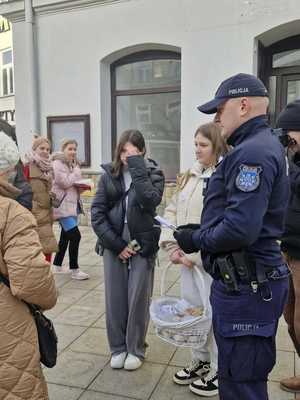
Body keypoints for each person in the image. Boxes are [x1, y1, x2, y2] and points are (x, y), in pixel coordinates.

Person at [173, 73, 290, 400]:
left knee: (241, 385)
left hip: (248, 286)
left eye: (219, 110)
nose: (215, 118)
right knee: (238, 376)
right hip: (248, 282)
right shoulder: (257, 145)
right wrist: (201, 231)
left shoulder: (251, 152)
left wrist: (196, 240)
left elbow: (241, 228)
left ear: (242, 105)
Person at [160, 122, 227, 397]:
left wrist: (194, 255)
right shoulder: (189, 176)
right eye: (195, 144)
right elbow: (172, 210)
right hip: (185, 259)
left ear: (217, 147)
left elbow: (220, 224)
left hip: (209, 263)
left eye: (203, 145)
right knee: (192, 312)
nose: (196, 150)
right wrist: (171, 246)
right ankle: (199, 360)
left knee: (213, 315)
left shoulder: (222, 178)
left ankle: (218, 369)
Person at [91, 129, 164, 371]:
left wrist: (137, 168)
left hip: (143, 242)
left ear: (142, 151)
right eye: (123, 150)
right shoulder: (107, 176)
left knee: (138, 297)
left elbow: (150, 201)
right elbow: (97, 214)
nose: (126, 155)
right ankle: (118, 348)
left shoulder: (154, 174)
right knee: (115, 298)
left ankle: (135, 348)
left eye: (132, 151)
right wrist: (117, 245)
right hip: (113, 242)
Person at [0, 132, 57, 400]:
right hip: (6, 328)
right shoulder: (10, 213)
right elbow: (32, 282)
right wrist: (50, 297)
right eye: (11, 170)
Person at [275, 99, 300, 393]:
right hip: (289, 249)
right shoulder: (293, 161)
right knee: (289, 317)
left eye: (290, 133)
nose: (287, 141)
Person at [52, 139, 89, 280]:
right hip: (62, 207)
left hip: (72, 206)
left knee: (65, 236)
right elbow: (64, 182)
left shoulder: (72, 164)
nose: (73, 152)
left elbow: (71, 184)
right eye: (70, 149)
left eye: (75, 149)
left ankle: (57, 265)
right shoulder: (58, 163)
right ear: (63, 149)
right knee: (75, 236)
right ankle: (75, 270)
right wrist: (77, 173)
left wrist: (82, 187)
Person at [24, 136, 58, 262]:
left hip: (46, 215)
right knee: (37, 252)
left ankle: (44, 278)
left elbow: (46, 190)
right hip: (33, 216)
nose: (45, 151)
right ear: (34, 149)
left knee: (47, 250)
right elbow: (21, 192)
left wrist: (51, 196)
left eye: (48, 149)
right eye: (42, 148)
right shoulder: (27, 167)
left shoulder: (48, 168)